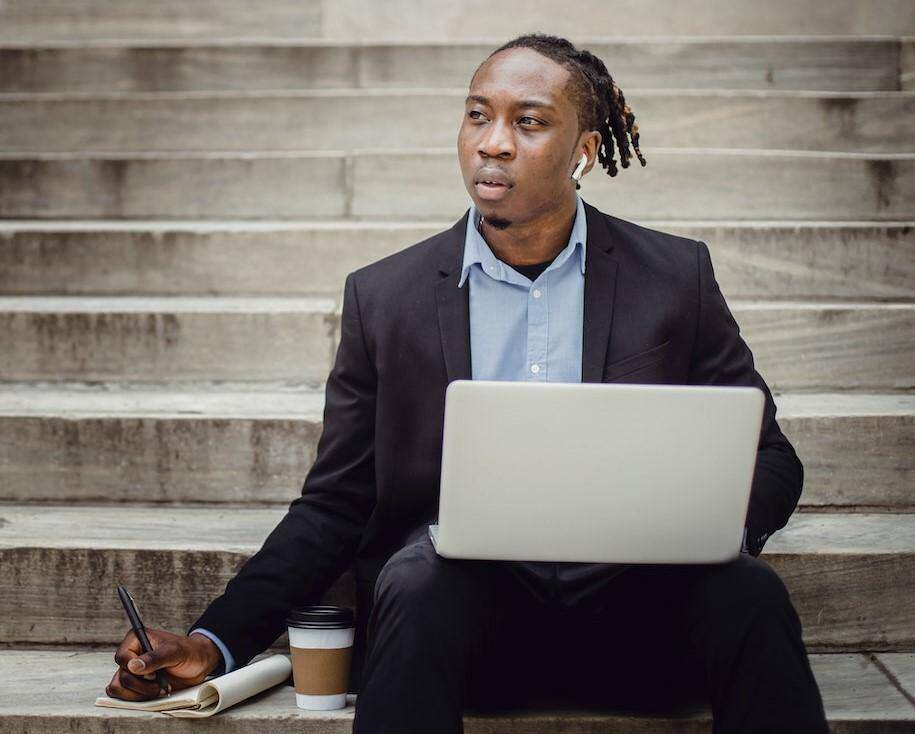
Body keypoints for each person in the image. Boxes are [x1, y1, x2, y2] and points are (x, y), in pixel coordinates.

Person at [106, 33, 830, 733]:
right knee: (418, 575)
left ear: (582, 152)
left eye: (529, 121)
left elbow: (772, 461)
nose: (493, 141)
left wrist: (702, 529)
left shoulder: (674, 278)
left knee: (751, 592)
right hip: (460, 633)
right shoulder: (384, 299)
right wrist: (215, 639)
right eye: (479, 114)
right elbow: (335, 504)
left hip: (642, 627)